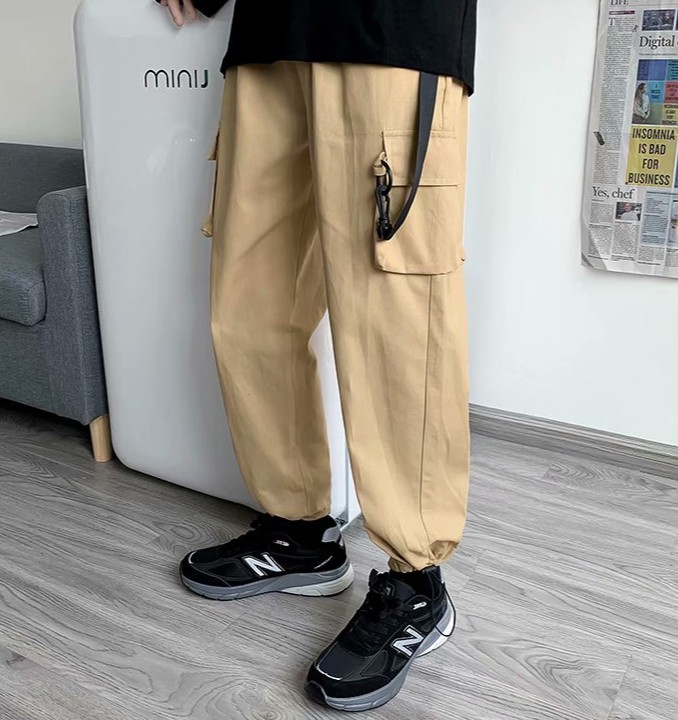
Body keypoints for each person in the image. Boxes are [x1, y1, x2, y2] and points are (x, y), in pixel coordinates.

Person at [157, 0, 476, 711]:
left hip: (389, 32)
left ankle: (417, 584)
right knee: (251, 309)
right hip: (269, 38)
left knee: (395, 326)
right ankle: (299, 533)